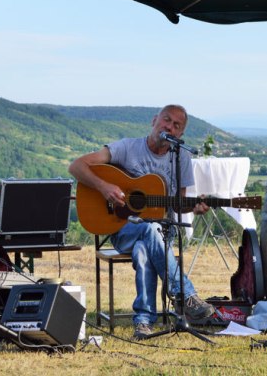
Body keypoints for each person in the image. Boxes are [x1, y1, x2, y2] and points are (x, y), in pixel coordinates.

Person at [69, 104, 215, 339]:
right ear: (154, 120)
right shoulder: (127, 148)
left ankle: (143, 322)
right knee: (149, 229)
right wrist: (104, 187)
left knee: (144, 246)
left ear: (180, 134)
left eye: (176, 125)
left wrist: (196, 208)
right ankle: (184, 294)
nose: (170, 126)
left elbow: (178, 204)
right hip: (122, 229)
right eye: (166, 120)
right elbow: (76, 166)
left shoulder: (182, 157)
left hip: (161, 233)